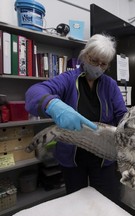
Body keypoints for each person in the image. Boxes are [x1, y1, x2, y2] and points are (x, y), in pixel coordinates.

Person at [25, 33, 127, 202]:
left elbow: (121, 114)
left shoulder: (110, 85)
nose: (98, 68)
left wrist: (128, 127)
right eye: (94, 61)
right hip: (72, 159)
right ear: (85, 55)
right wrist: (52, 104)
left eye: (104, 64)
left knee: (107, 202)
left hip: (104, 158)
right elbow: (33, 93)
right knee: (77, 202)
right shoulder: (68, 79)